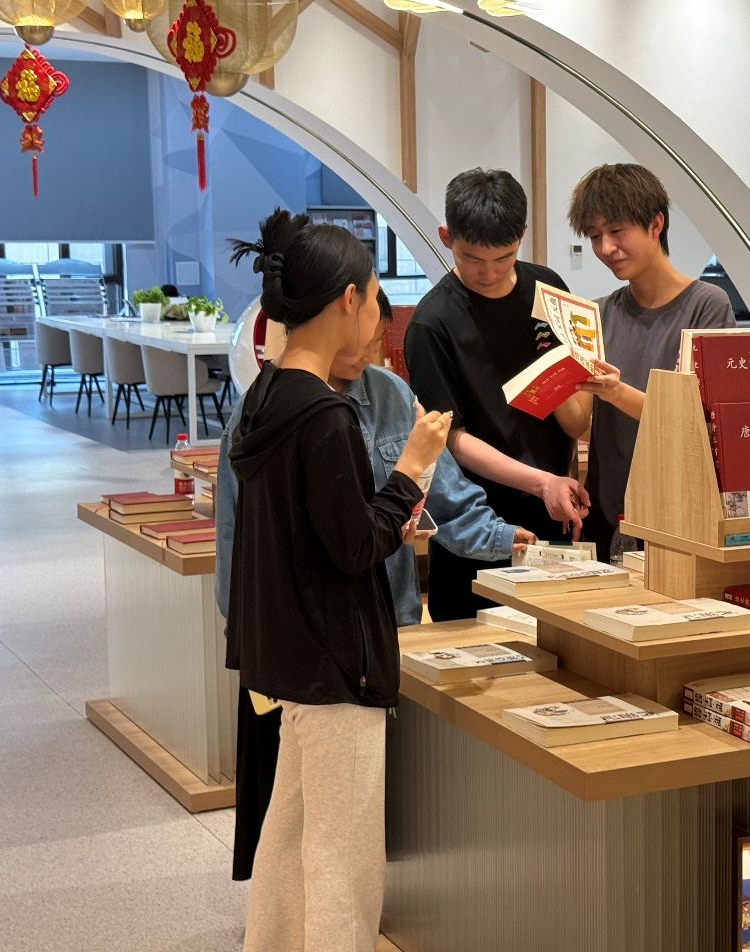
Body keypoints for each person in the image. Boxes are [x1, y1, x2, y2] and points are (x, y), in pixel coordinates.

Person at [214, 287, 536, 882]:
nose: (367, 354)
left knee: (349, 818)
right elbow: (244, 536)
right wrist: (246, 633)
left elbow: (441, 492)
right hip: (316, 645)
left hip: (383, 632)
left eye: (377, 343)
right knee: (315, 829)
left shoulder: (388, 395)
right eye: (359, 339)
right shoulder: (283, 408)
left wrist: (500, 536)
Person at [225, 208, 450, 952]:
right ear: (349, 299)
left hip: (290, 656)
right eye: (377, 298)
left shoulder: (265, 397)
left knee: (290, 834)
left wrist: (383, 514)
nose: (379, 317)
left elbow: (319, 531)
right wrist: (410, 469)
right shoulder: (325, 414)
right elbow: (355, 548)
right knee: (341, 861)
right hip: (337, 662)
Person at [405, 168, 590, 620]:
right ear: (446, 237)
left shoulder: (548, 290)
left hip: (554, 512)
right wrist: (541, 482)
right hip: (475, 525)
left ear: (522, 235)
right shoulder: (432, 323)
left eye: (504, 258)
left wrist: (558, 482)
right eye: (471, 259)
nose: (487, 273)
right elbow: (452, 439)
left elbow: (576, 417)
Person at [566, 163, 736, 560]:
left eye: (617, 231)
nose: (606, 248)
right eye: (595, 235)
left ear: (656, 224)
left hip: (679, 516)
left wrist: (616, 392)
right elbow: (577, 423)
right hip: (607, 515)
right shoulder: (596, 314)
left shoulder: (707, 307)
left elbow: (693, 419)